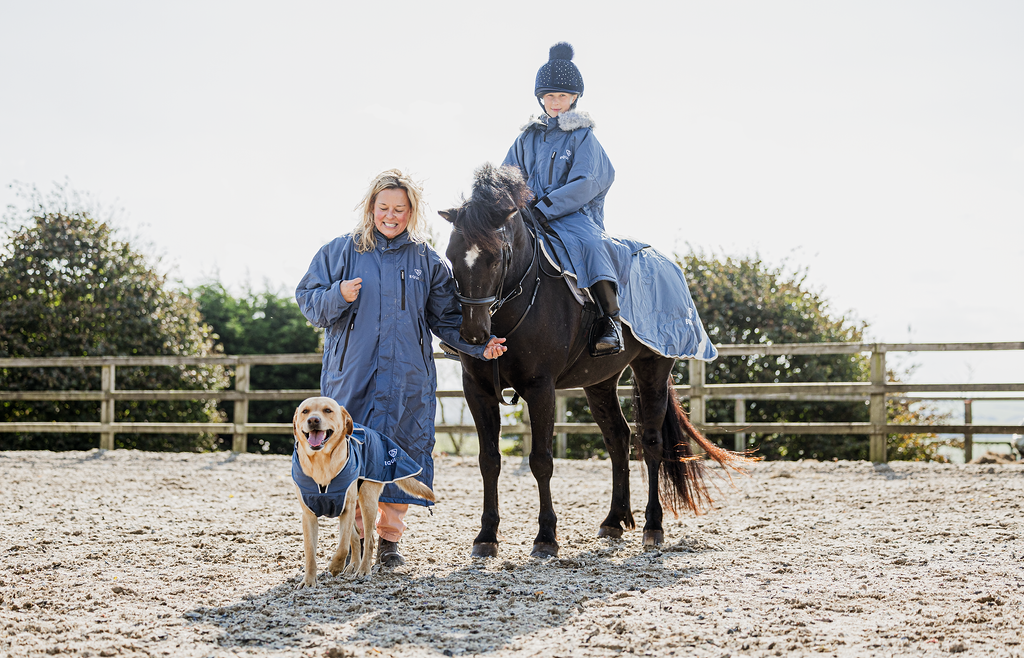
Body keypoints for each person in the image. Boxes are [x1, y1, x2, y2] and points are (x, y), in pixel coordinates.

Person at [295, 169, 506, 567]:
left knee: (398, 452)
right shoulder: (340, 252)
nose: (391, 216)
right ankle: (356, 537)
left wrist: (479, 348)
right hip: (351, 376)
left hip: (408, 377)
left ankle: (389, 540)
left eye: (400, 209)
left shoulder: (427, 260)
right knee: (350, 453)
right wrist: (337, 295)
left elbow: (446, 320)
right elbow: (308, 301)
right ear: (371, 208)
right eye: (383, 208)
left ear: (412, 212)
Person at [502, 41, 633, 357]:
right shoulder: (526, 137)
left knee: (590, 245)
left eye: (562, 95)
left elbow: (589, 181)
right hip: (526, 214)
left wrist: (547, 207)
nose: (555, 101)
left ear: (574, 98)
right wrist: (507, 203)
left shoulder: (583, 136)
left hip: (573, 216)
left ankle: (609, 321)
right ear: (540, 98)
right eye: (549, 96)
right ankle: (471, 323)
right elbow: (507, 175)